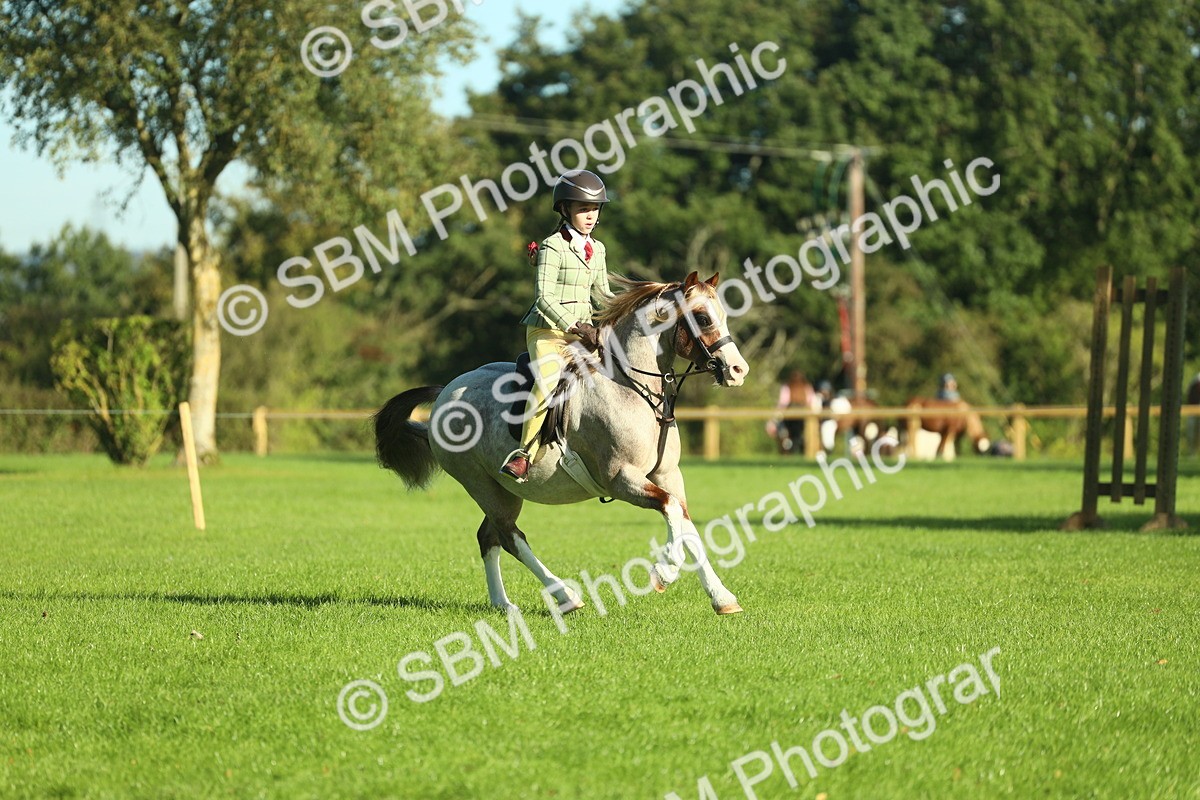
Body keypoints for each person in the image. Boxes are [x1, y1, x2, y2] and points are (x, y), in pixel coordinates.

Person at [499, 169, 614, 482]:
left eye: (594, 209)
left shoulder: (599, 249)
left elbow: (603, 294)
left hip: (583, 333)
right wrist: (576, 325)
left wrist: (622, 315)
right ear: (565, 210)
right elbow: (543, 299)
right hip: (547, 332)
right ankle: (524, 453)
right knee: (549, 384)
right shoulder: (552, 247)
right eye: (583, 210)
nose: (590, 216)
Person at [768, 371, 814, 454]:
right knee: (794, 434)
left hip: (791, 415)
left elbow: (783, 402)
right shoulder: (806, 387)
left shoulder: (788, 387)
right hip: (799, 415)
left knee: (785, 432)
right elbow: (810, 402)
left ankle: (790, 449)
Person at [1187, 372, 1200, 455]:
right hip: (1192, 409)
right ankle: (1192, 452)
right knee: (1192, 431)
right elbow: (1190, 396)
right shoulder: (1194, 382)